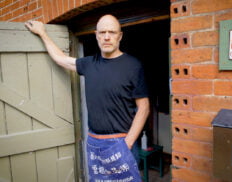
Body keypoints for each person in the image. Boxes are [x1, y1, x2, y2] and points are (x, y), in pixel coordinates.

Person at [25, 14, 149, 182]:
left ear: (120, 36)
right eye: (102, 32)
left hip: (122, 141)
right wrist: (42, 33)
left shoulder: (133, 65)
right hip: (94, 142)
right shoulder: (89, 64)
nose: (106, 37)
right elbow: (61, 59)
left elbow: (144, 107)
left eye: (112, 32)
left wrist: (127, 143)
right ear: (96, 35)